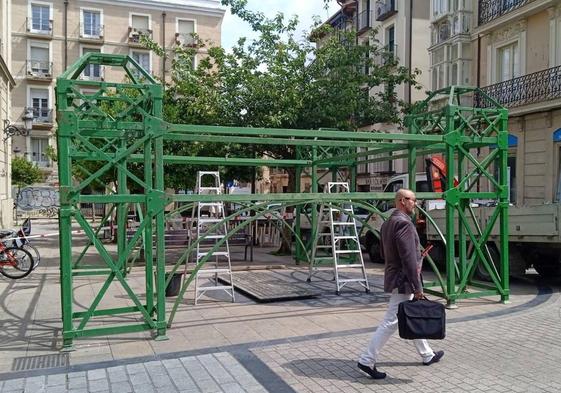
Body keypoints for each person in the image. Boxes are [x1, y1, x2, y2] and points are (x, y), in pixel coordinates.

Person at [357, 188, 444, 379]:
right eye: (413, 200)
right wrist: (418, 286)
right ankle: (366, 360)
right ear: (402, 201)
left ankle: (427, 354)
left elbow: (385, 252)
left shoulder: (387, 223)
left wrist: (415, 257)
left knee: (409, 313)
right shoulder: (404, 224)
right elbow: (407, 259)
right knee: (392, 320)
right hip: (404, 279)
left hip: (396, 276)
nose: (416, 203)